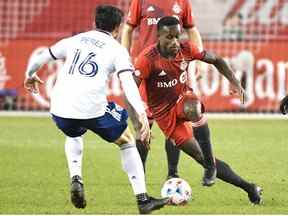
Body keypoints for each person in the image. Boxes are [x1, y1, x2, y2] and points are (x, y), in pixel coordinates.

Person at [23, 5, 168, 214]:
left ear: (95, 23)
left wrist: (30, 74)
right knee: (126, 140)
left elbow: (40, 58)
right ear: (118, 28)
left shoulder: (74, 40)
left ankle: (76, 178)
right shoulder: (117, 50)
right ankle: (143, 200)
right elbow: (128, 82)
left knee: (73, 131)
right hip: (92, 109)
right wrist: (142, 113)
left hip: (59, 108)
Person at [133, 16, 263, 204]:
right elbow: (129, 88)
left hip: (183, 100)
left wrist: (235, 83)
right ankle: (249, 188)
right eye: (169, 37)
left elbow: (216, 59)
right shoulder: (147, 59)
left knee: (193, 108)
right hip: (164, 115)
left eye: (178, 36)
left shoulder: (187, 49)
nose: (175, 42)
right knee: (198, 155)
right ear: (158, 37)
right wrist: (139, 121)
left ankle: (210, 167)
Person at [121, 0, 216, 184]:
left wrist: (199, 60)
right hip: (148, 71)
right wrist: (124, 58)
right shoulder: (139, 2)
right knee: (144, 122)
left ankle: (173, 172)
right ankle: (139, 174)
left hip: (175, 69)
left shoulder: (182, 2)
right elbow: (127, 29)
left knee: (175, 122)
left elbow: (192, 30)